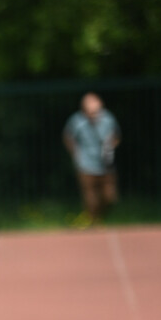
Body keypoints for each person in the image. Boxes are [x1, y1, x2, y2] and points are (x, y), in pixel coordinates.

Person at [63, 92, 120, 226]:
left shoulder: (108, 119)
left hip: (106, 164)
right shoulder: (77, 121)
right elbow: (68, 137)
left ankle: (97, 218)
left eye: (97, 111)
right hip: (86, 164)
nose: (94, 114)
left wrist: (110, 148)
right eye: (91, 112)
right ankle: (93, 222)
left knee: (110, 197)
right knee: (91, 199)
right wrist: (75, 154)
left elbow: (116, 135)